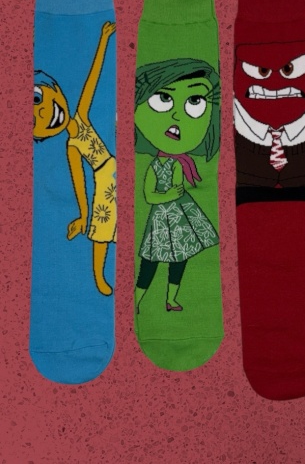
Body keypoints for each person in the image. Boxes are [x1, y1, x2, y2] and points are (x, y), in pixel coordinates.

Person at [33, 21, 116, 296]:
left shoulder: (81, 116)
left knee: (118, 225)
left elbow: (93, 78)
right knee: (101, 230)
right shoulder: (71, 147)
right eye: (35, 121)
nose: (43, 113)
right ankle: (99, 277)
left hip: (115, 168)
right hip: (104, 178)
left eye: (37, 99)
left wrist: (103, 40)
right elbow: (79, 183)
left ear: (55, 88)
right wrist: (83, 215)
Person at [134, 58, 220, 312]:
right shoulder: (154, 166)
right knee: (150, 261)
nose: (177, 116)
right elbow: (149, 195)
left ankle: (171, 300)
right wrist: (169, 194)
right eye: (163, 98)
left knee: (180, 258)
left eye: (195, 101)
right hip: (161, 221)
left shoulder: (181, 163)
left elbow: (180, 186)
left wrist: (175, 189)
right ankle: (136, 301)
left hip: (181, 219)